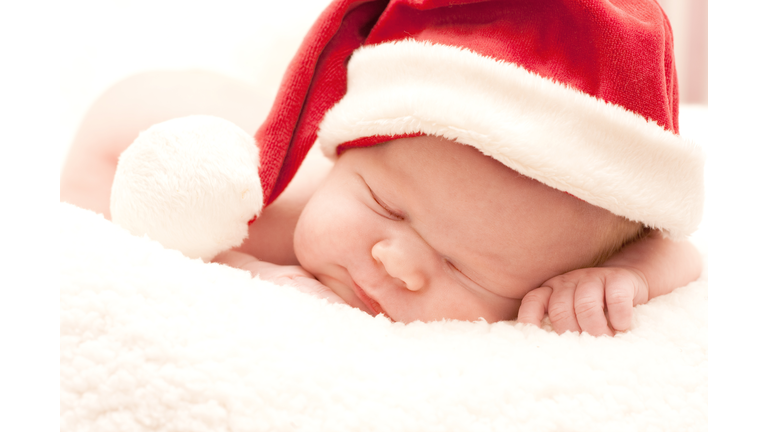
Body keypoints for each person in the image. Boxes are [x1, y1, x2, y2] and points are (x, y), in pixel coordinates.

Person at [60, 0, 704, 336]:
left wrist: (622, 276)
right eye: (386, 207)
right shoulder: (270, 206)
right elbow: (121, 117)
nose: (398, 261)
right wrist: (235, 256)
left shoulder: (558, 241)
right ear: (343, 159)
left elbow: (676, 251)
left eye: (465, 267)